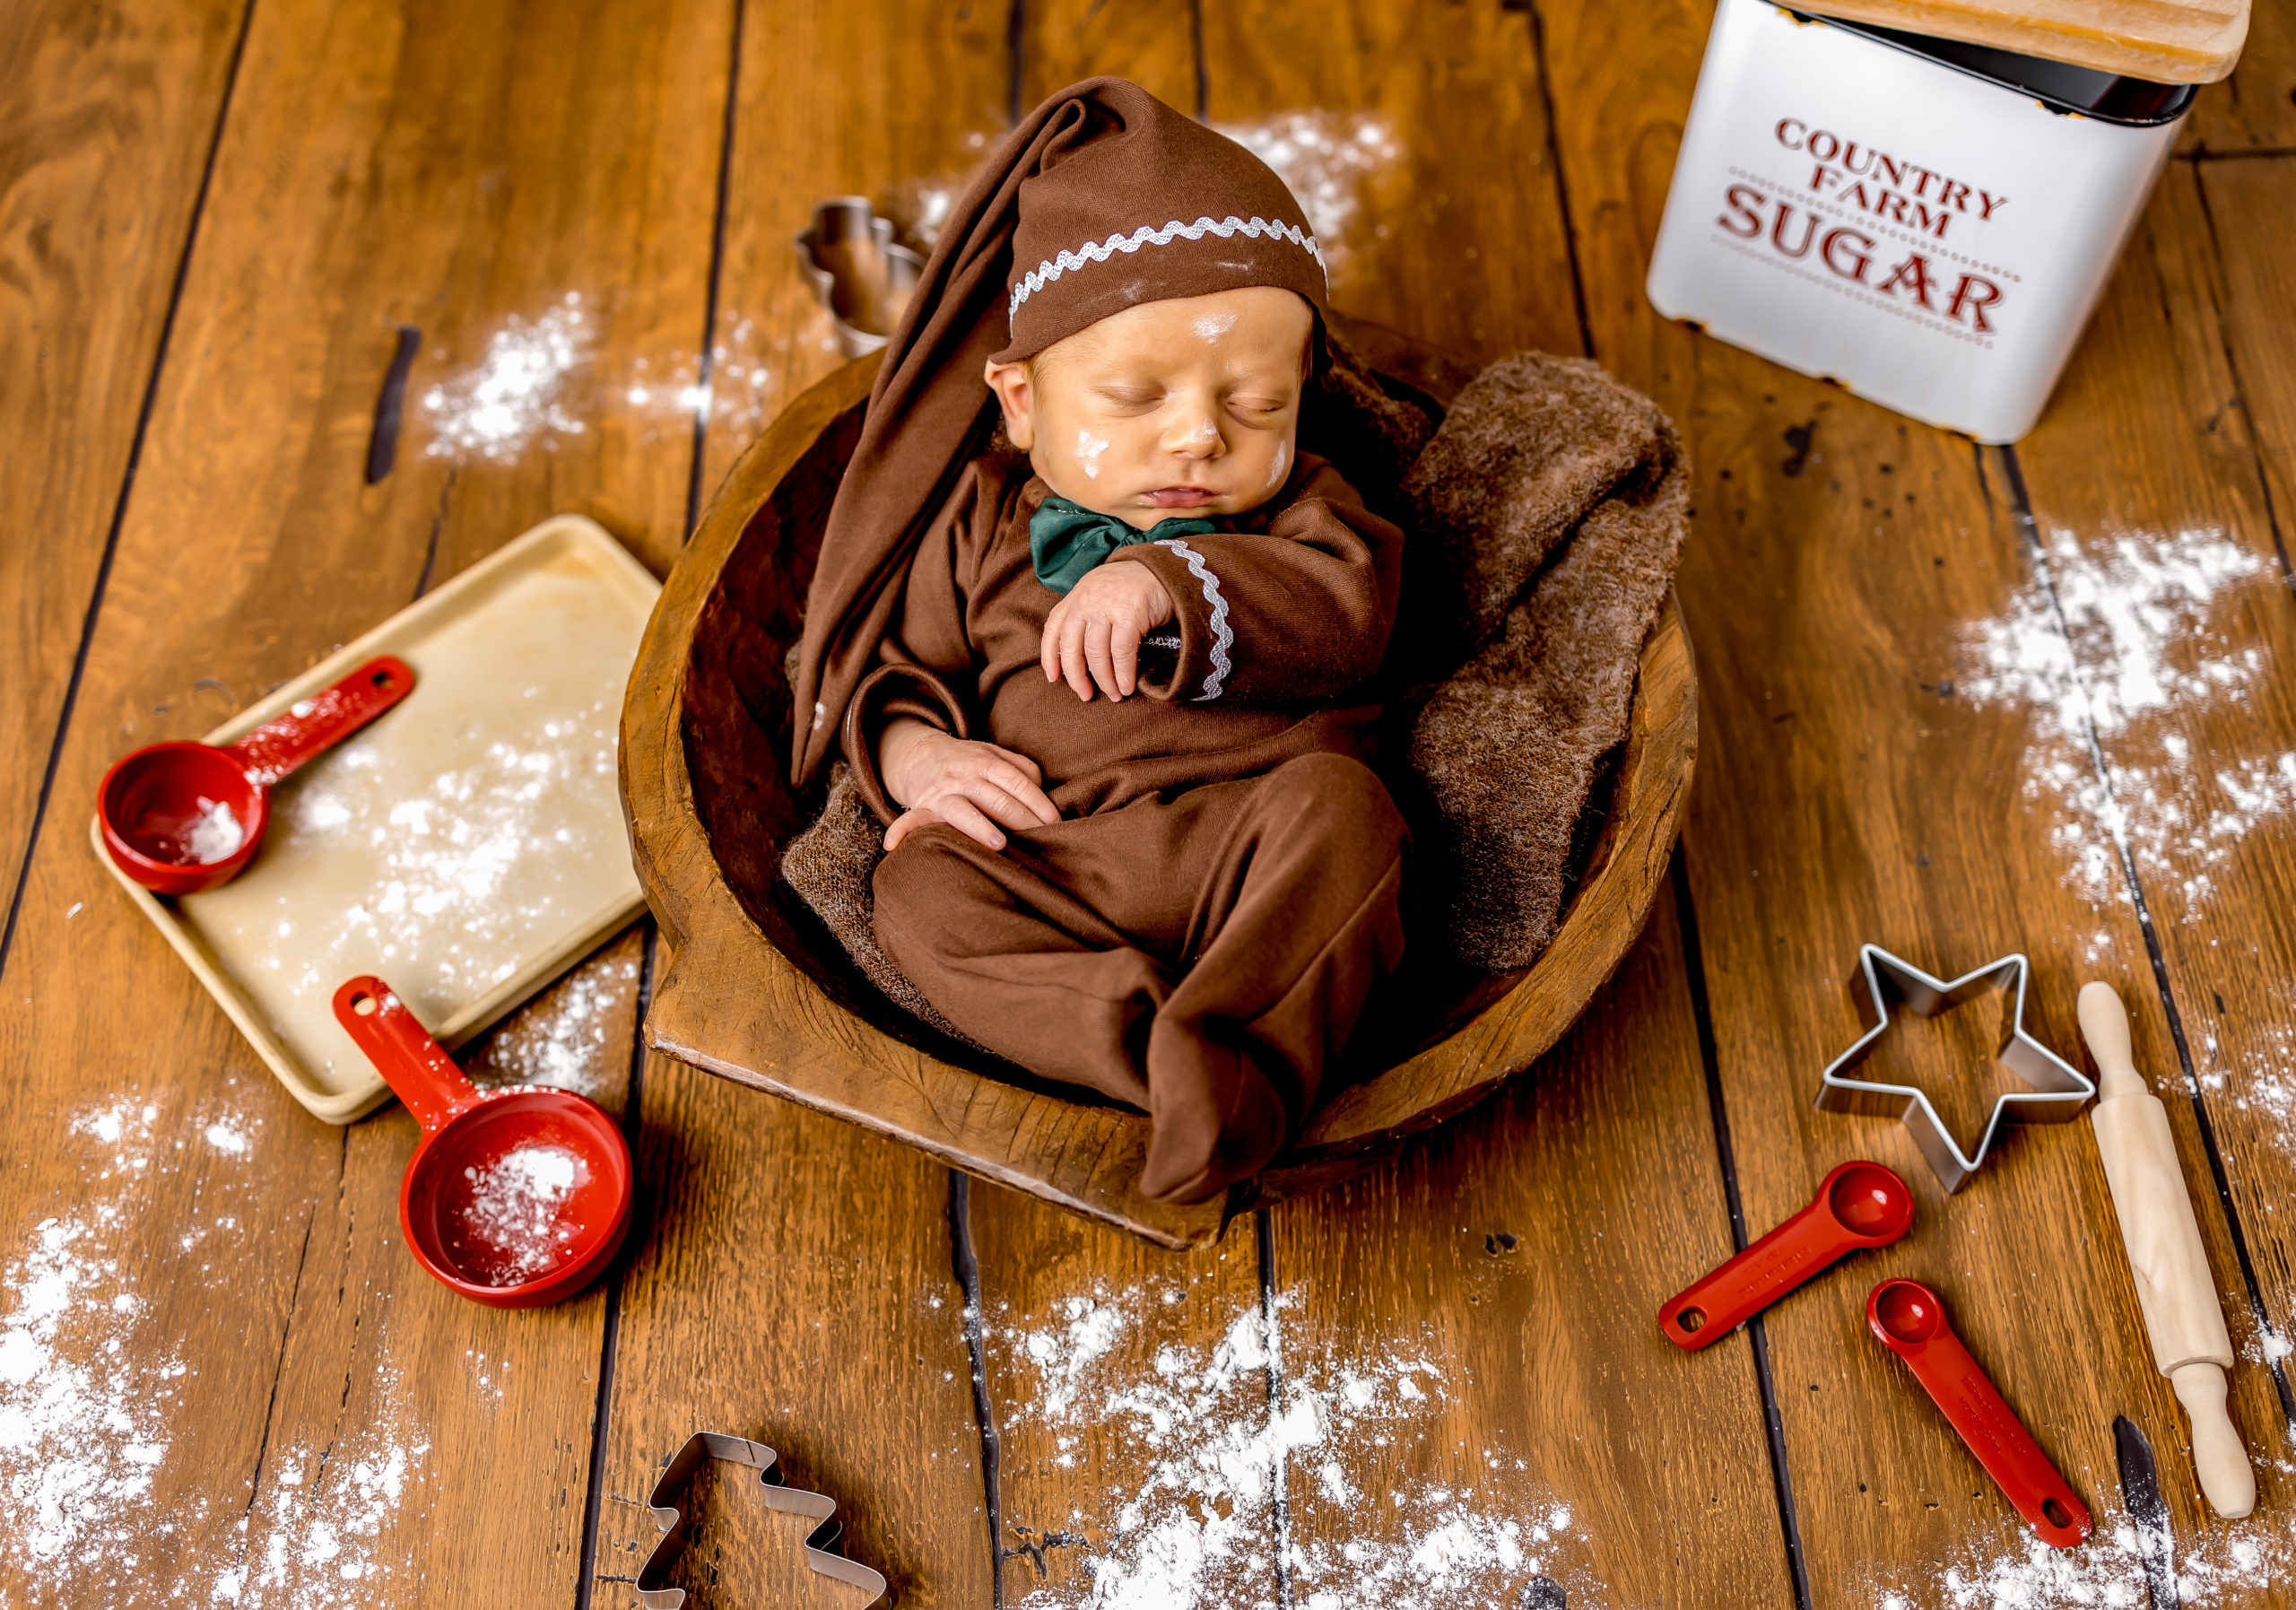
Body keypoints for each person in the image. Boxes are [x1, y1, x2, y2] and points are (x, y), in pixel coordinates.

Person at [787, 79, 1407, 1205]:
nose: (1198, 434)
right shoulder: (979, 516)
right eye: (1132, 395)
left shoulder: (1310, 510)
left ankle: (1240, 1046)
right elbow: (900, 669)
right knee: (918, 895)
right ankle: (1157, 1056)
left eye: (1258, 404)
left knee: (1353, 818)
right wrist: (924, 760)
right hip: (1058, 855)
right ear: (1021, 401)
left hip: (1253, 839)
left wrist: (1166, 577)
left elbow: (1352, 621)